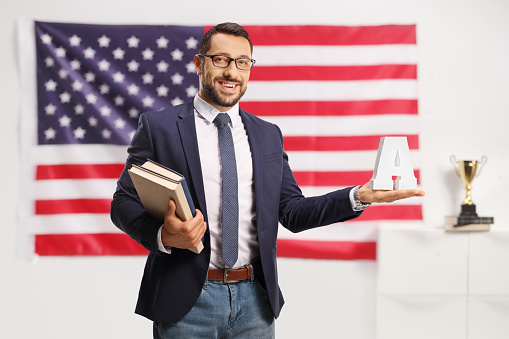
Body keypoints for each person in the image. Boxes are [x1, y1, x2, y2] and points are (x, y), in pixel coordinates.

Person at [110, 22, 425, 338]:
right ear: (199, 63)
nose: (232, 71)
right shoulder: (160, 128)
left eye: (242, 62)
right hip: (187, 303)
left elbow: (292, 211)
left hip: (255, 303)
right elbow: (123, 202)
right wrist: (164, 235)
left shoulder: (267, 135)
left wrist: (359, 196)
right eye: (221, 59)